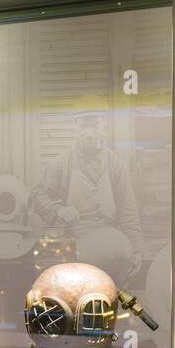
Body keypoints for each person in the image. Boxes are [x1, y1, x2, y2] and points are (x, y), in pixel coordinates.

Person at [29, 105, 143, 285]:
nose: (90, 133)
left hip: (109, 242)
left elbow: (127, 210)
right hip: (76, 242)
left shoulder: (116, 165)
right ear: (75, 126)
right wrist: (59, 210)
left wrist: (136, 249)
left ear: (103, 125)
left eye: (95, 126)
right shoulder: (61, 163)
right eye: (84, 127)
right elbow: (38, 198)